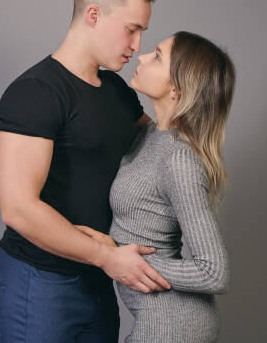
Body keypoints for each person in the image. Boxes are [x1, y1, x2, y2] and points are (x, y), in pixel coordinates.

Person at [0, 0, 171, 343]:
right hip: (40, 282)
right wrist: (107, 257)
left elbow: (161, 150)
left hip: (99, 280)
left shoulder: (118, 91)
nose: (137, 45)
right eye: (131, 29)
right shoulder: (37, 92)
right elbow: (19, 208)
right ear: (93, 15)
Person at [77, 31, 235, 342]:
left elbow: (215, 272)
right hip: (158, 317)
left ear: (176, 89)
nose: (142, 56)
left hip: (173, 323)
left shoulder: (179, 158)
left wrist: (125, 259)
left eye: (158, 56)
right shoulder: (150, 135)